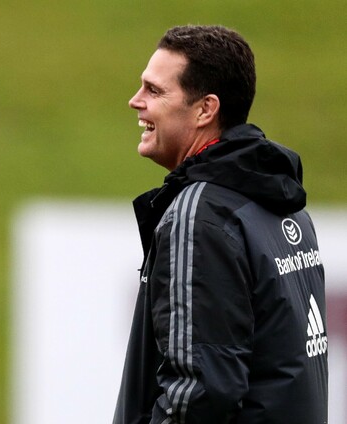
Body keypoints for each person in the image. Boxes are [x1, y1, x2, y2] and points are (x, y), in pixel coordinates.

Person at [113, 25, 328, 423]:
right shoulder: (284, 205)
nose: (135, 101)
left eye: (154, 91)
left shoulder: (199, 215)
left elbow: (197, 395)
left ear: (205, 109)